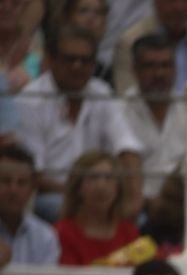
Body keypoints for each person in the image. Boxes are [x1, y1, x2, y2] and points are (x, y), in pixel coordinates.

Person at [15, 25, 139, 219]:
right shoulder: (30, 101)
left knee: (139, 217)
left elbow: (128, 150)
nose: (77, 67)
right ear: (50, 60)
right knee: (62, 208)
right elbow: (33, 175)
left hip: (99, 192)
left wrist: (133, 198)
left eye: (85, 60)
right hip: (51, 196)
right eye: (69, 59)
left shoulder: (102, 93)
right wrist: (82, 195)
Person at [119, 32, 187, 200]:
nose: (159, 73)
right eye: (150, 66)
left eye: (166, 65)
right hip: (136, 206)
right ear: (134, 70)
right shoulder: (119, 112)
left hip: (182, 205)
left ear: (175, 69)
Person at [111, 0, 187, 93]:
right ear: (155, 2)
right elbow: (126, 101)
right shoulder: (129, 42)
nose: (179, 7)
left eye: (185, 0)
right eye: (171, 0)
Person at [54, 149, 137, 265]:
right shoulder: (62, 233)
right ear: (78, 187)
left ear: (118, 187)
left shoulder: (129, 233)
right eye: (93, 178)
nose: (101, 186)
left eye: (108, 178)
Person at [0, 145, 59, 267]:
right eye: (5, 181)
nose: (13, 190)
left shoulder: (45, 236)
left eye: (22, 182)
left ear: (32, 188)